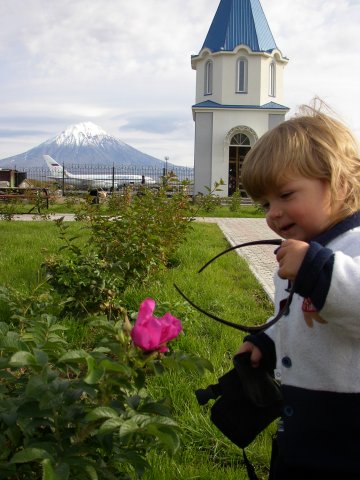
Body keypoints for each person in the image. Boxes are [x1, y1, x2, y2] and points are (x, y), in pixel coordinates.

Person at [238, 101, 360, 480]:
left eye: (286, 195)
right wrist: (269, 341)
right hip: (301, 430)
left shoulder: (351, 248)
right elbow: (296, 317)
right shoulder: (300, 253)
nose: (273, 213)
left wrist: (316, 269)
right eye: (265, 203)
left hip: (349, 443)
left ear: (338, 182)